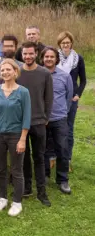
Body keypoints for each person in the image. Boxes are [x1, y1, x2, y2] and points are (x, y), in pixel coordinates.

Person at [0, 59, 31, 217]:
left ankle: (17, 202)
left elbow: (27, 117)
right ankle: (2, 198)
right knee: (0, 169)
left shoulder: (23, 92)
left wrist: (23, 139)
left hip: (15, 135)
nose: (5, 72)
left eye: (8, 69)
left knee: (16, 170)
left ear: (15, 71)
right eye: (2, 70)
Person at [17, 42, 53, 207]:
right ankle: (27, 188)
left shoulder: (44, 73)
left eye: (31, 53)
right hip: (20, 123)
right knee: (23, 158)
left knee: (38, 157)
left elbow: (48, 98)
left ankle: (42, 192)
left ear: (36, 53)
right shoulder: (18, 72)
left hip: (39, 122)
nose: (28, 56)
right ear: (22, 54)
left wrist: (45, 118)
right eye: (25, 54)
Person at [41, 47, 73, 194]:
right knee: (43, 149)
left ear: (56, 59)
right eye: (46, 56)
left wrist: (62, 112)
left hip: (59, 118)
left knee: (62, 148)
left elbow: (69, 96)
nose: (48, 59)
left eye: (51, 57)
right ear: (42, 58)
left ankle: (62, 179)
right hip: (42, 119)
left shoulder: (65, 76)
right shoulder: (38, 75)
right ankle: (45, 174)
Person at [56, 31, 86, 169]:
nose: (65, 45)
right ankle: (55, 157)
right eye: (63, 43)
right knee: (55, 128)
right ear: (60, 44)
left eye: (68, 42)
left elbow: (83, 80)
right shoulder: (54, 57)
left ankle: (67, 159)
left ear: (71, 43)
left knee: (68, 129)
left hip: (72, 98)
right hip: (57, 98)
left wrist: (78, 94)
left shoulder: (78, 58)